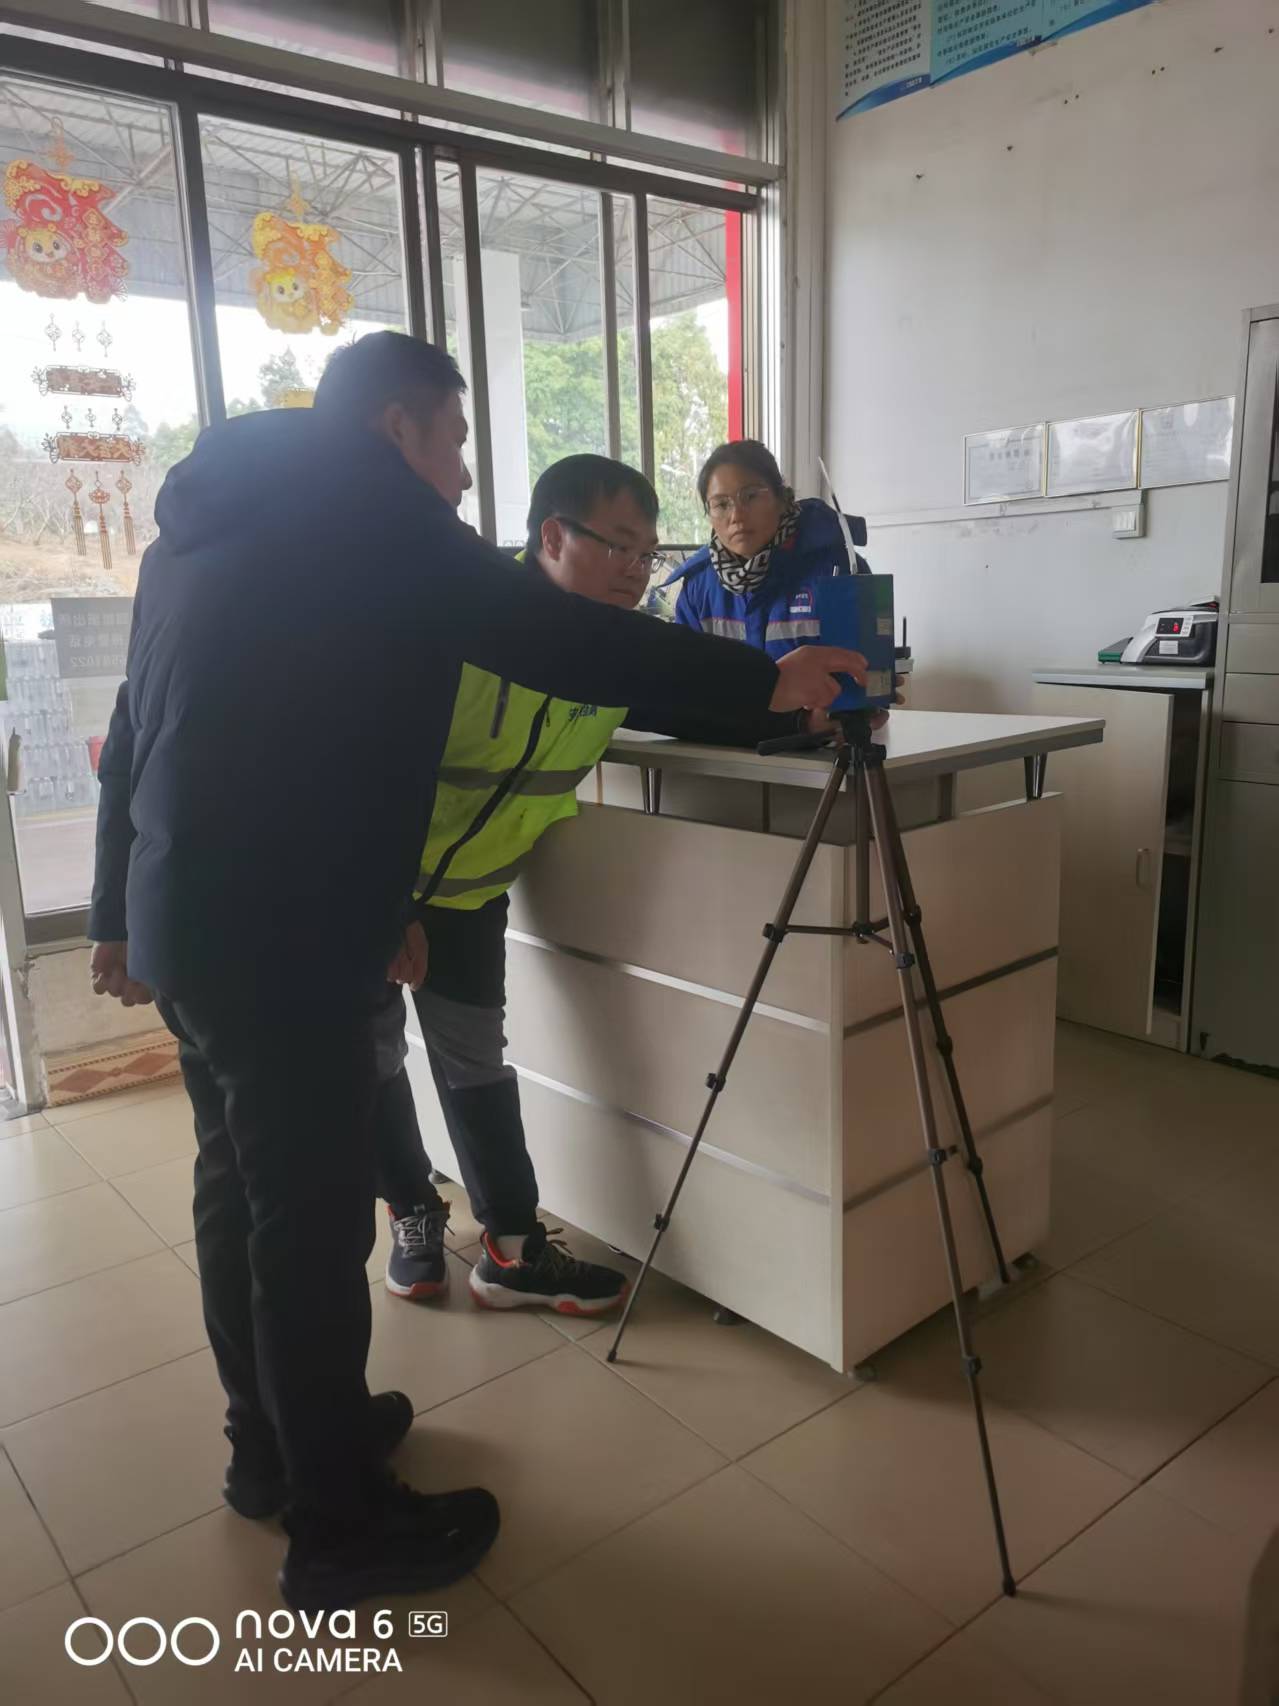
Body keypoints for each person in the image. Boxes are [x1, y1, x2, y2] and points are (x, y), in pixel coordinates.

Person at [86, 331, 864, 1612]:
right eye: (451, 440)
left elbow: (137, 721)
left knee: (238, 1194)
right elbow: (554, 636)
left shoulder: (203, 523)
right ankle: (339, 1529)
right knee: (308, 1225)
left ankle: (271, 1446)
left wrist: (117, 903)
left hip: (198, 925)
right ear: (395, 425)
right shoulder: (368, 507)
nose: (459, 476)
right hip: (288, 933)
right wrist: (766, 682)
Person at [374, 454, 822, 1317]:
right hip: (379, 878)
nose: (634, 570)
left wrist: (797, 711)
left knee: (474, 1062)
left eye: (647, 553)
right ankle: (411, 1210)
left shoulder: (608, 652)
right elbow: (371, 766)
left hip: (471, 893)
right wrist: (388, 900)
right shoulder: (464, 624)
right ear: (552, 535)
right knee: (373, 1057)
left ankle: (511, 1250)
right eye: (618, 545)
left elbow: (685, 701)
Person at [666, 439, 870, 658]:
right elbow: (684, 674)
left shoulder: (839, 571)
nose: (736, 516)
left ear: (781, 499)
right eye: (722, 504)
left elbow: (868, 669)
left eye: (751, 497)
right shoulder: (698, 588)